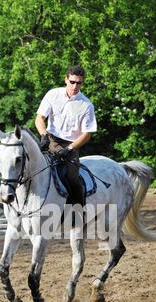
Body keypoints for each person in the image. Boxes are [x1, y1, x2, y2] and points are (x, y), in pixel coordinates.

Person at [35, 65, 97, 206]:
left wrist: (69, 149)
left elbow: (86, 134)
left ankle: (77, 212)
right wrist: (43, 135)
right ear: (66, 79)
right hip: (49, 140)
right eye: (72, 82)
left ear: (82, 82)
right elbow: (39, 119)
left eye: (78, 83)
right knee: (27, 165)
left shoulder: (87, 105)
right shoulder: (52, 94)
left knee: (72, 178)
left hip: (70, 146)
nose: (75, 86)